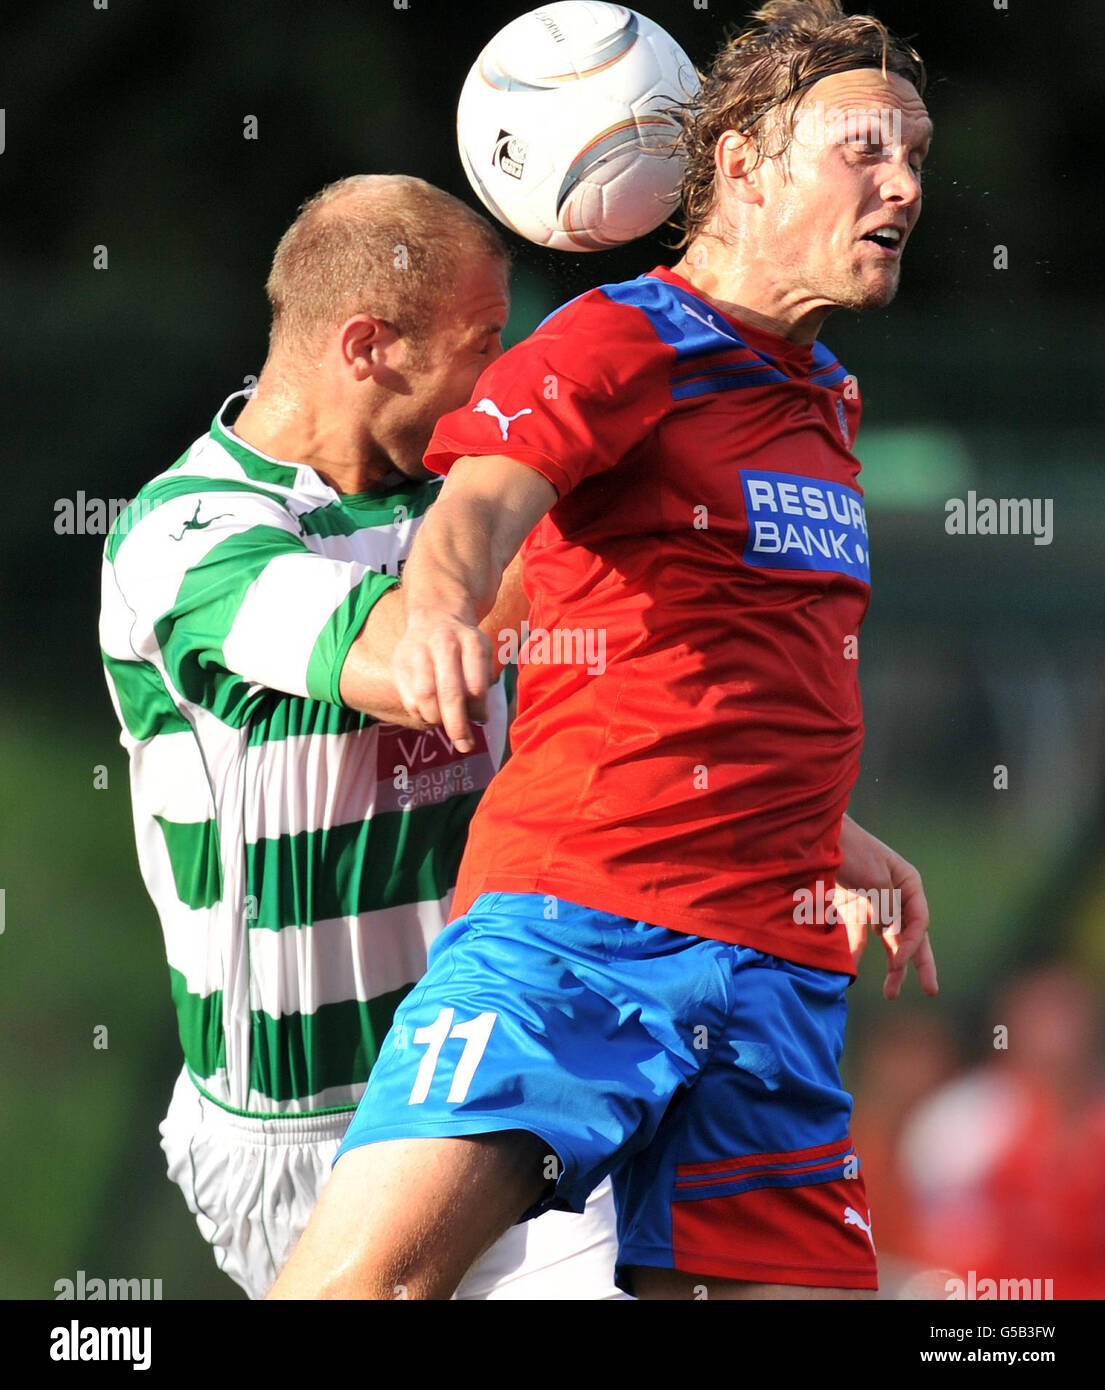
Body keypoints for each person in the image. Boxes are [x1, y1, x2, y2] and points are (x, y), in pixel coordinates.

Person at [271, 0, 940, 1302]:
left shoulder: (822, 398)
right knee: (369, 1287)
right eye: (865, 148)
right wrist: (446, 608)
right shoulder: (623, 335)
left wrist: (830, 830)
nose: (904, 183)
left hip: (773, 964)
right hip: (583, 930)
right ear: (741, 163)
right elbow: (477, 507)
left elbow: (722, 653)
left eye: (916, 154)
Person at [99, 173, 623, 1300]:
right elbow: (404, 666)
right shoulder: (184, 532)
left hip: (484, 1067)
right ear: (370, 345)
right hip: (296, 1129)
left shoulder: (454, 503)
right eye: (484, 341)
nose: (502, 377)